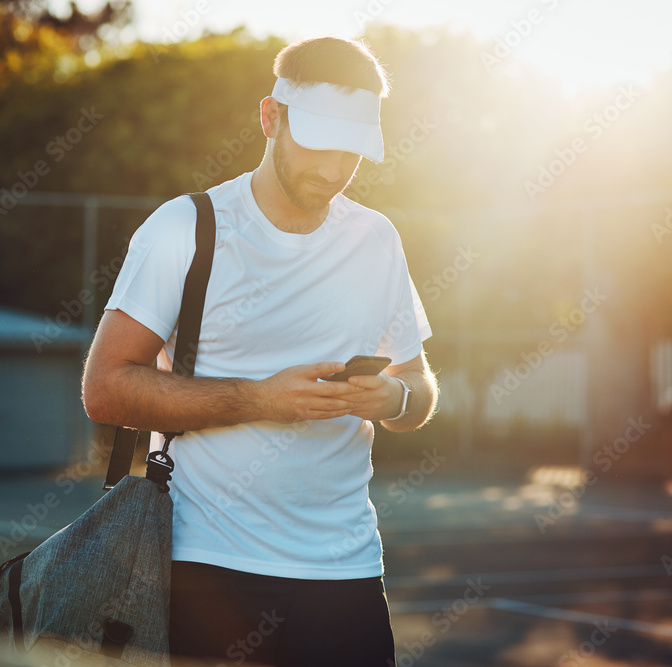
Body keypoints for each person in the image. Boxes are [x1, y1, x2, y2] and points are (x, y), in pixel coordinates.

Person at [82, 36, 438, 667]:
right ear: (271, 118)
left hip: (346, 569)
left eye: (351, 152)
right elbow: (106, 387)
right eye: (318, 144)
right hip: (208, 566)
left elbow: (419, 388)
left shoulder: (377, 239)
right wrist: (258, 399)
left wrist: (395, 396)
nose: (333, 169)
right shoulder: (183, 228)